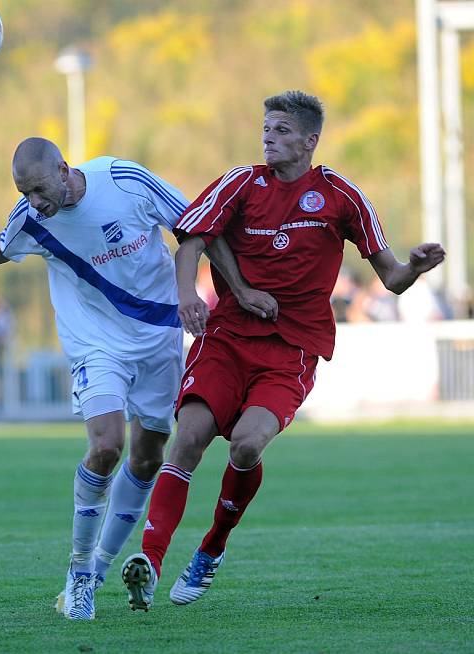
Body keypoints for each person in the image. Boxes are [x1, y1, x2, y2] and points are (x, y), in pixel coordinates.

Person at [122, 90, 446, 610]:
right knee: (189, 440)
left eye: (281, 131)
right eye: (266, 129)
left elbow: (393, 279)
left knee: (247, 446)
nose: (269, 138)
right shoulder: (241, 182)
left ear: (310, 141)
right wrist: (188, 296)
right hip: (226, 338)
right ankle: (150, 563)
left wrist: (415, 265)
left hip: (291, 348)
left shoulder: (341, 195)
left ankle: (211, 548)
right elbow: (191, 239)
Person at [0, 137, 189, 620]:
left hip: (160, 335)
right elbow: (3, 246)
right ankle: (79, 576)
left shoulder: (125, 181)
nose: (34, 202)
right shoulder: (32, 217)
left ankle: (101, 571)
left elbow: (194, 226)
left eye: (40, 189)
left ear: (64, 170)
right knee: (106, 447)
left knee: (148, 459)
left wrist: (212, 289)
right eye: (24, 193)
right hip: (97, 342)